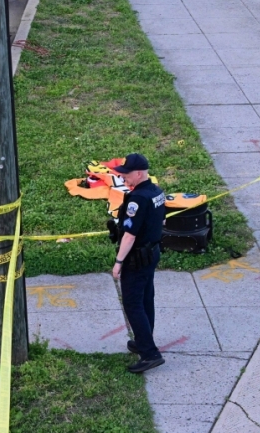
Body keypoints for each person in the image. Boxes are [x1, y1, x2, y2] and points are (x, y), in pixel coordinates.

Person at [111, 153, 166, 373]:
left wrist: (118, 262)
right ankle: (144, 339)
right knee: (145, 298)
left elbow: (130, 235)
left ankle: (150, 353)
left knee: (133, 303)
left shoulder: (138, 199)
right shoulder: (156, 192)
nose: (124, 177)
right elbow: (161, 220)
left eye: (127, 174)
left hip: (136, 258)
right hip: (151, 253)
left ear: (140, 173)